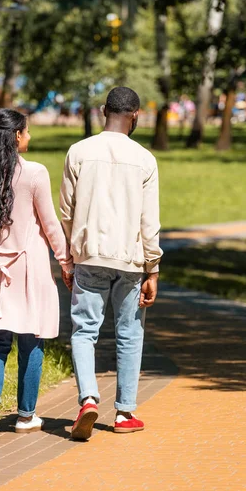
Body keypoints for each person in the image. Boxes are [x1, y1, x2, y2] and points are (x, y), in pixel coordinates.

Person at [0, 108, 73, 440]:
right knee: (32, 339)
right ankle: (26, 415)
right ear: (15, 136)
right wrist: (66, 262)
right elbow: (50, 225)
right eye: (26, 132)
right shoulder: (35, 173)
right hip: (28, 268)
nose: (30, 137)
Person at [60, 86, 163, 440]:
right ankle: (124, 412)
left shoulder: (78, 152)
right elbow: (150, 223)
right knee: (129, 333)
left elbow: (66, 212)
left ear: (104, 110)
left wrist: (70, 259)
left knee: (84, 331)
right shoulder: (145, 159)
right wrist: (154, 268)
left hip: (88, 256)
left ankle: (88, 398)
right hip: (131, 261)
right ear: (135, 115)